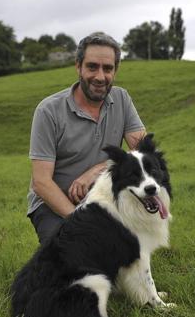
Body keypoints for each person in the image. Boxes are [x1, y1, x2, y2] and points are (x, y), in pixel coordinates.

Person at [27, 31, 146, 245]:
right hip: (55, 204)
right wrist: (80, 222)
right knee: (71, 258)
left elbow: (144, 153)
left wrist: (97, 170)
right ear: (78, 66)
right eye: (92, 66)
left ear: (115, 71)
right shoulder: (48, 111)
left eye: (108, 68)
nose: (100, 77)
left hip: (103, 198)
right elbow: (41, 182)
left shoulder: (121, 99)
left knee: (119, 258)